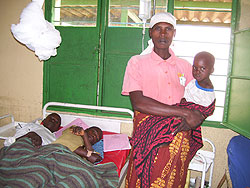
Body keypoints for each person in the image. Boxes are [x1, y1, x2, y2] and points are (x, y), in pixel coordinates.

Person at [122, 12, 215, 188]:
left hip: (178, 138)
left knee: (173, 181)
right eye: (158, 29)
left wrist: (195, 119)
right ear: (151, 33)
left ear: (174, 33)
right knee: (142, 180)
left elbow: (200, 101)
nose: (163, 34)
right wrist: (185, 113)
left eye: (168, 29)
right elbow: (139, 103)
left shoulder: (186, 67)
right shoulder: (136, 63)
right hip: (147, 137)